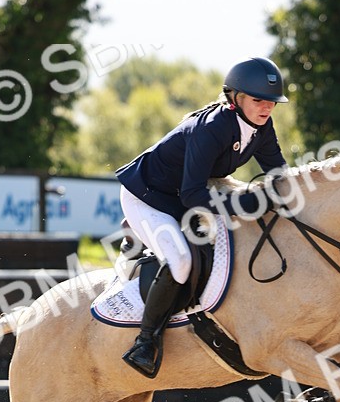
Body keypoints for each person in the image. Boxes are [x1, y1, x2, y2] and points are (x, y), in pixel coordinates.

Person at [115, 56, 289, 378]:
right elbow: (193, 195)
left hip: (184, 196)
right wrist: (249, 204)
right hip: (148, 196)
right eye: (258, 100)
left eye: (271, 103)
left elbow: (279, 175)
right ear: (235, 99)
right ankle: (144, 342)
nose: (266, 108)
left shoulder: (261, 128)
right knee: (181, 260)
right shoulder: (212, 128)